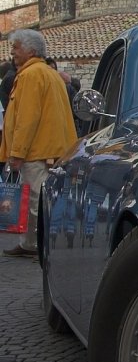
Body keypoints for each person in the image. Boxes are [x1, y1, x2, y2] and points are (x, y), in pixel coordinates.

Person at [0, 29, 79, 259]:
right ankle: (30, 242)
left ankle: (40, 245)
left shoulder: (31, 75)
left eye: (17, 47)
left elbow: (27, 117)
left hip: (37, 150)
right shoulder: (48, 74)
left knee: (36, 200)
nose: (12, 52)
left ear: (31, 51)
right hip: (50, 148)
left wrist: (17, 153)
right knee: (38, 198)